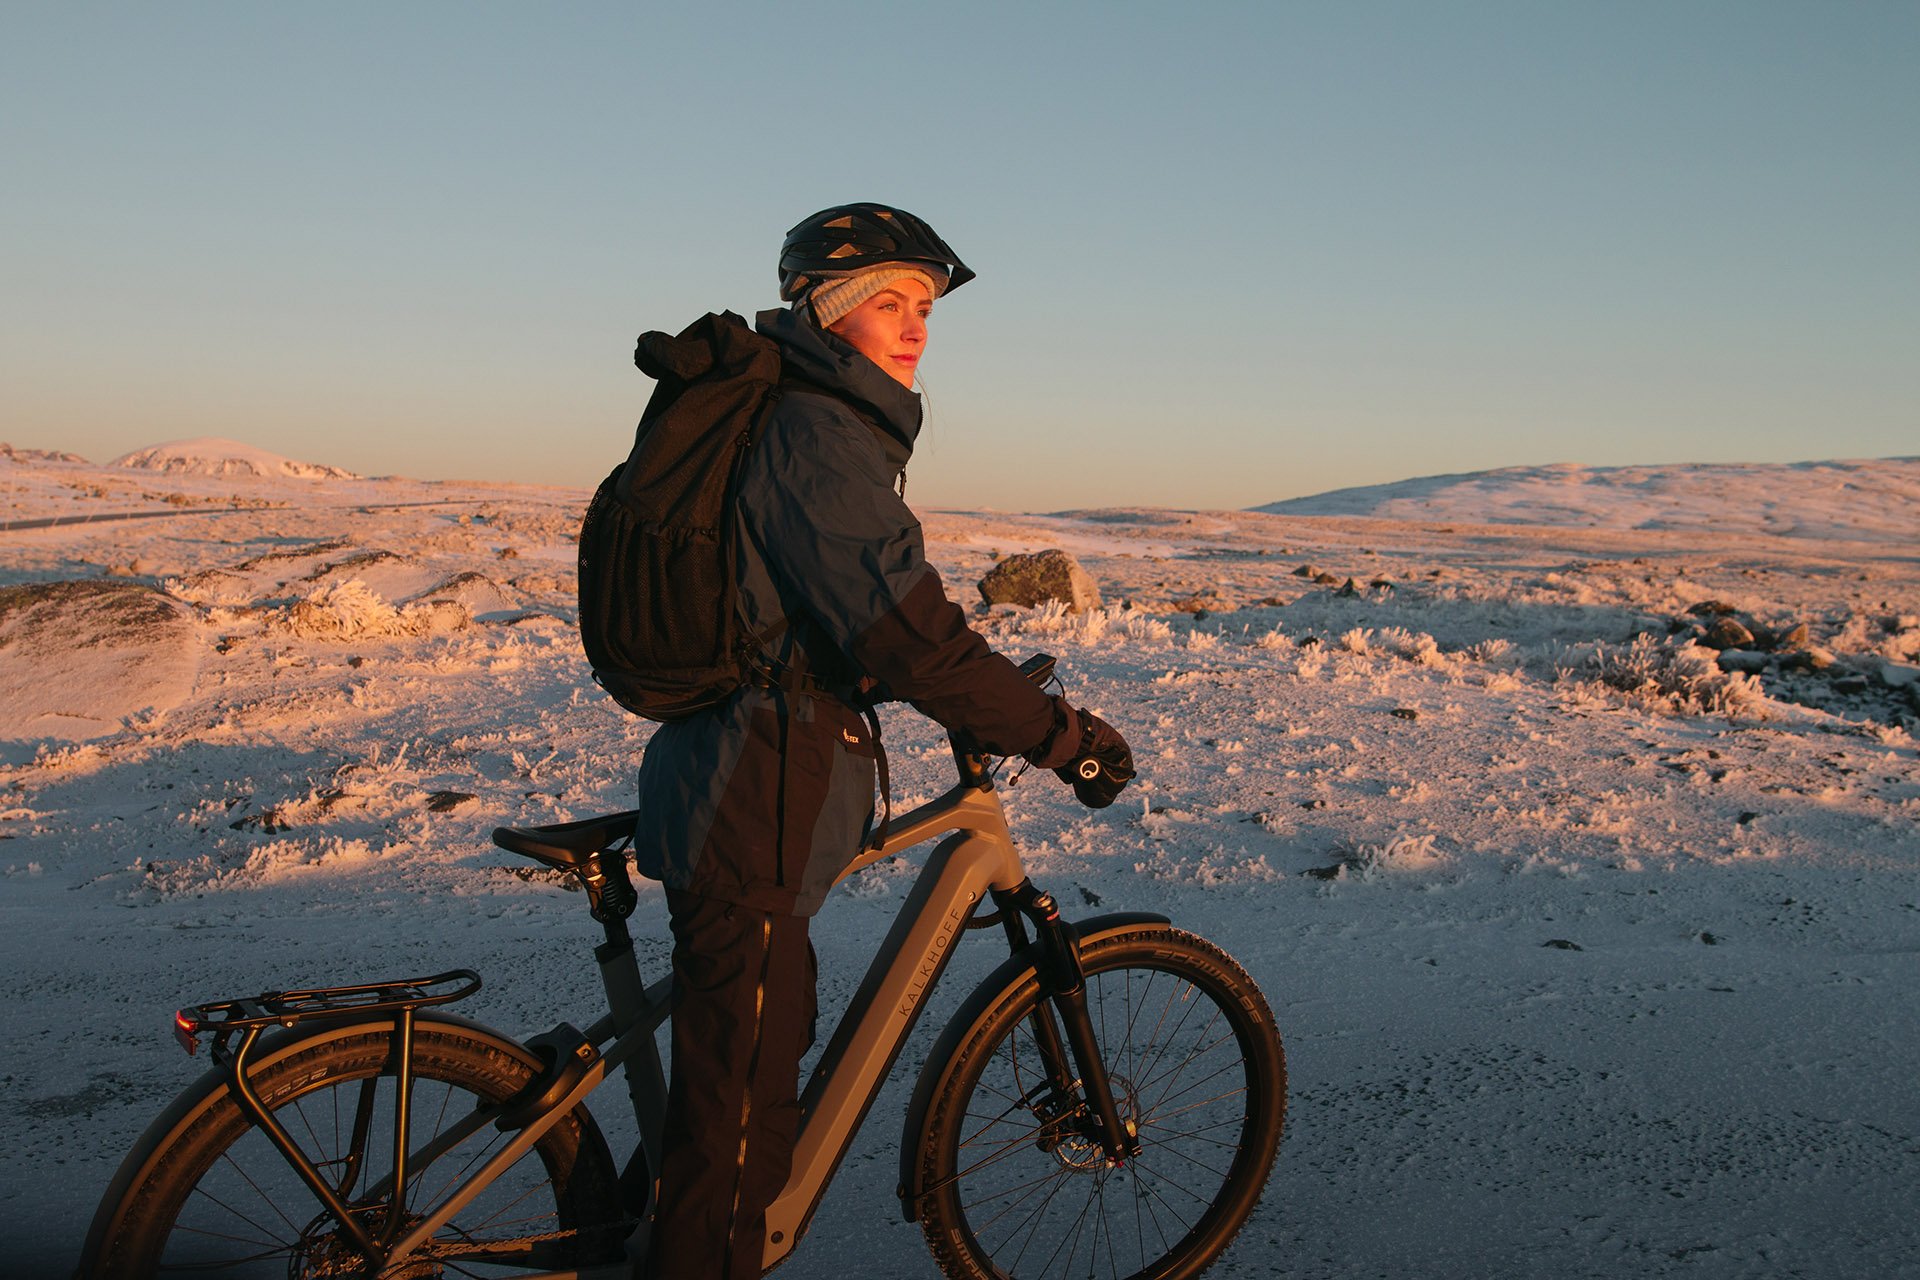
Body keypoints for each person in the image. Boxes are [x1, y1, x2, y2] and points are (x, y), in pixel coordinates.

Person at [630, 202, 1134, 1279]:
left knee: (747, 1062)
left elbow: (823, 614)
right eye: (887, 304)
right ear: (827, 311)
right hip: (749, 796)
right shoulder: (815, 434)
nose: (914, 326)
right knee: (738, 1130)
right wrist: (1060, 735)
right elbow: (913, 636)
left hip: (741, 778)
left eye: (922, 305)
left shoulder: (809, 417)